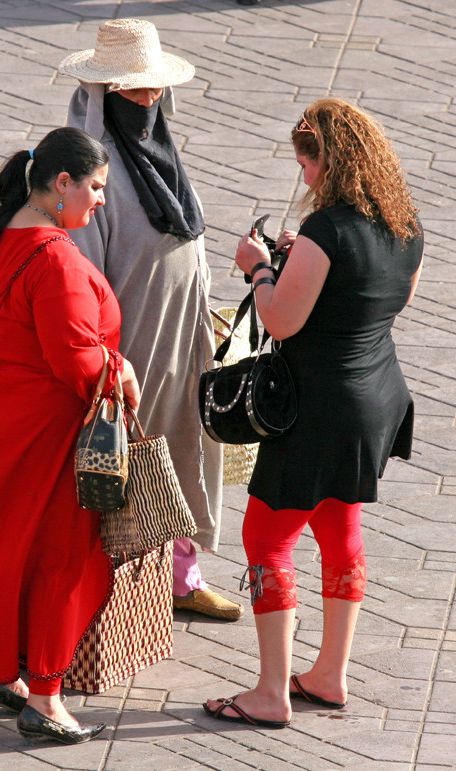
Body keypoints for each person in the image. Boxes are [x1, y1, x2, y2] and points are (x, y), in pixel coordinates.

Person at [204, 98, 424, 727]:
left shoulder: (328, 229)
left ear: (331, 161)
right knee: (338, 526)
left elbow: (280, 319)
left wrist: (262, 268)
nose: (304, 178)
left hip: (319, 406)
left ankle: (271, 693)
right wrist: (303, 265)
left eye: (308, 164)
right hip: (376, 397)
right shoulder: (404, 223)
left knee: (266, 537)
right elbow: (387, 301)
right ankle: (329, 674)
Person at [0, 127, 140, 745]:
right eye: (96, 188)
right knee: (62, 555)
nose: (101, 201)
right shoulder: (55, 260)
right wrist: (120, 370)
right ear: (61, 184)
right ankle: (48, 698)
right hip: (51, 431)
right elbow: (77, 359)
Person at [57, 18, 243, 621]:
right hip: (134, 344)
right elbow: (82, 273)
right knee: (133, 464)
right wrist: (110, 360)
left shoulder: (159, 152)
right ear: (107, 92)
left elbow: (186, 236)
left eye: (154, 88)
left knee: (188, 451)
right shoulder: (95, 170)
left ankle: (181, 578)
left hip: (184, 336)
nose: (149, 99)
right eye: (135, 90)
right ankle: (121, 589)